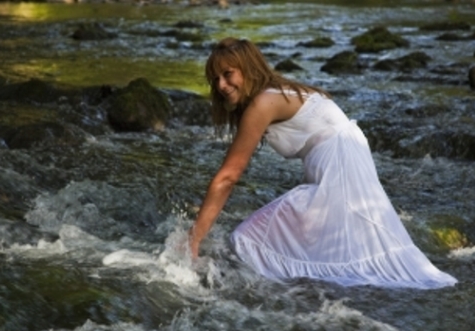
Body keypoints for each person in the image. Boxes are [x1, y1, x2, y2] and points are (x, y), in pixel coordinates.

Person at [188, 37, 457, 289]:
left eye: (228, 74)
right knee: (328, 242)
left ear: (249, 69)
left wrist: (194, 239)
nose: (221, 85)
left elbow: (228, 177)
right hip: (344, 157)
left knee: (248, 239)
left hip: (339, 163)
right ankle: (308, 296)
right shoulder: (276, 93)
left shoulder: (263, 102)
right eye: (215, 79)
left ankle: (268, 298)